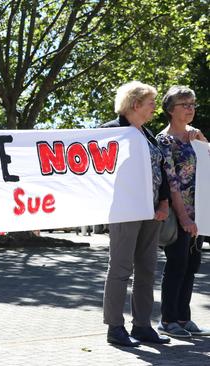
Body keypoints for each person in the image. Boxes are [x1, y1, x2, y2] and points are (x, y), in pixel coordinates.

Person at [101, 81, 171, 347]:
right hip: (124, 210)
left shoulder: (147, 134)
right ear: (135, 104)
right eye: (151, 102)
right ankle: (115, 328)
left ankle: (142, 326)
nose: (155, 107)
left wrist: (163, 202)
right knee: (120, 268)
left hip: (151, 212)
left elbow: (160, 170)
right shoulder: (110, 131)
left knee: (146, 270)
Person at [156, 86, 210, 338]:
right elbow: (172, 182)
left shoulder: (195, 135)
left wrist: (203, 142)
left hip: (200, 212)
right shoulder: (164, 140)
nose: (190, 108)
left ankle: (183, 317)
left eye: (192, 104)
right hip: (179, 213)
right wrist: (184, 217)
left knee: (192, 264)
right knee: (177, 264)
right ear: (170, 110)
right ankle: (167, 320)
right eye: (184, 104)